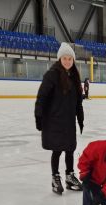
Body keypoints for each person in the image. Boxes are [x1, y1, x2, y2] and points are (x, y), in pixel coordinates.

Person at [34, 42, 84, 195]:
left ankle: (69, 175)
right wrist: (39, 116)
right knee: (57, 150)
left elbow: (78, 102)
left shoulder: (74, 76)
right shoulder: (52, 75)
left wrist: (80, 118)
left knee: (70, 149)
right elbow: (41, 97)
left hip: (68, 121)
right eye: (65, 58)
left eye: (70, 58)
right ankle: (55, 177)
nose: (68, 61)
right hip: (54, 120)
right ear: (59, 59)